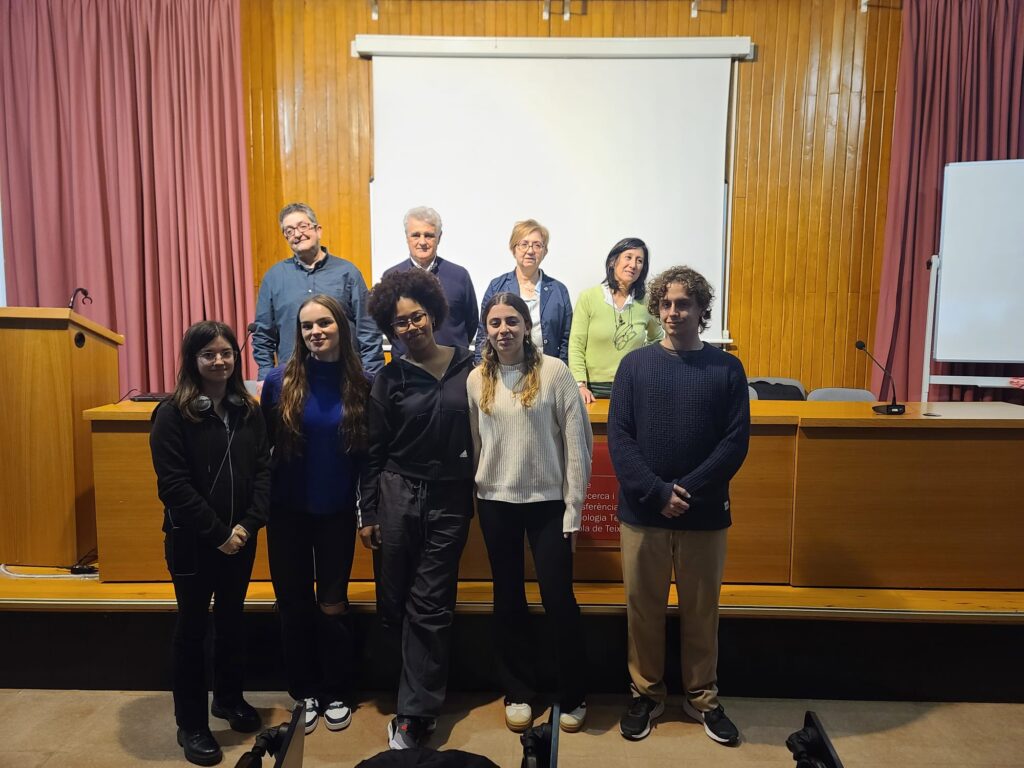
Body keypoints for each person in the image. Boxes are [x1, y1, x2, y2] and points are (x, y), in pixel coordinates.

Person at [607, 266, 750, 746]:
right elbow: (619, 438)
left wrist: (684, 491)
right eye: (665, 304)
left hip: (704, 515)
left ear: (701, 309)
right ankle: (646, 695)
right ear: (656, 308)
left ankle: (702, 697)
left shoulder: (726, 369)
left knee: (702, 611)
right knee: (642, 610)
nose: (673, 312)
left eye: (683, 304)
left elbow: (734, 443)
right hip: (643, 513)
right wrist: (657, 493)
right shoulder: (634, 366)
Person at [467, 291, 593, 735]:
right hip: (495, 502)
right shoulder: (476, 379)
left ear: (526, 326)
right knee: (507, 598)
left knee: (558, 599)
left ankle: (573, 693)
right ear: (486, 330)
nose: (503, 330)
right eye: (495, 322)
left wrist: (574, 509)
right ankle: (518, 691)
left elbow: (578, 446)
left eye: (511, 321)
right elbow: (476, 443)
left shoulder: (555, 372)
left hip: (548, 505)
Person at [361, 269, 476, 750]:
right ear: (390, 329)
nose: (411, 327)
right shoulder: (389, 378)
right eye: (400, 322)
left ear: (434, 313)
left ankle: (414, 714)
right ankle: (407, 687)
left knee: (431, 601)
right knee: (394, 601)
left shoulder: (471, 368)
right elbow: (373, 450)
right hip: (396, 493)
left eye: (417, 317)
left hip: (451, 499)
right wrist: (368, 512)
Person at [150, 321, 271, 767]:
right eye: (209, 354)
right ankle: (191, 724)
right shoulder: (171, 414)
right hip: (194, 543)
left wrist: (248, 525)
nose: (220, 361)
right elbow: (173, 486)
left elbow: (264, 471)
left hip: (241, 540)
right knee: (192, 630)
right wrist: (219, 533)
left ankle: (229, 698)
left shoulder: (249, 411)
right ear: (193, 360)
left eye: (226, 353)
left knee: (232, 621)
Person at [260, 294, 370, 736]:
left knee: (332, 602)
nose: (315, 332)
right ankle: (304, 691)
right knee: (293, 603)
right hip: (286, 513)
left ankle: (336, 690)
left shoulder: (361, 383)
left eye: (324, 323)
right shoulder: (278, 381)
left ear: (341, 325)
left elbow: (367, 457)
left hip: (336, 513)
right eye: (307, 326)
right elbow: (262, 449)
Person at [253, 202, 384, 379]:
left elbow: (368, 330)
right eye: (289, 231)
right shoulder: (273, 278)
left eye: (302, 226)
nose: (297, 234)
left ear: (318, 230)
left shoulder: (348, 272)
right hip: (293, 378)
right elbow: (263, 335)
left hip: (345, 376)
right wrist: (265, 377)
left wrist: (372, 376)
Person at [568, 237, 663, 404]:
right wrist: (580, 385)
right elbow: (576, 344)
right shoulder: (588, 297)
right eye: (628, 257)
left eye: (639, 261)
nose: (633, 265)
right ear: (613, 261)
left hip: (634, 387)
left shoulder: (646, 302)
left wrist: (643, 362)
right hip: (593, 390)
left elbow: (658, 338)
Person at [380, 206, 478, 356]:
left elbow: (471, 322)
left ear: (439, 237)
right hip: (406, 365)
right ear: (407, 237)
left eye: (429, 235)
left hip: (454, 366)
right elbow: (385, 323)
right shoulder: (392, 278)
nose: (422, 242)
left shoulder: (459, 276)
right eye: (416, 235)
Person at [473, 219, 572, 364]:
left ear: (545, 251)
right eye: (524, 244)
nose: (530, 251)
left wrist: (561, 369)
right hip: (504, 368)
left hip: (547, 368)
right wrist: (480, 368)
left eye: (537, 245)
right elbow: (483, 333)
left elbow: (566, 338)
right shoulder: (497, 287)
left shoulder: (558, 290)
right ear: (513, 249)